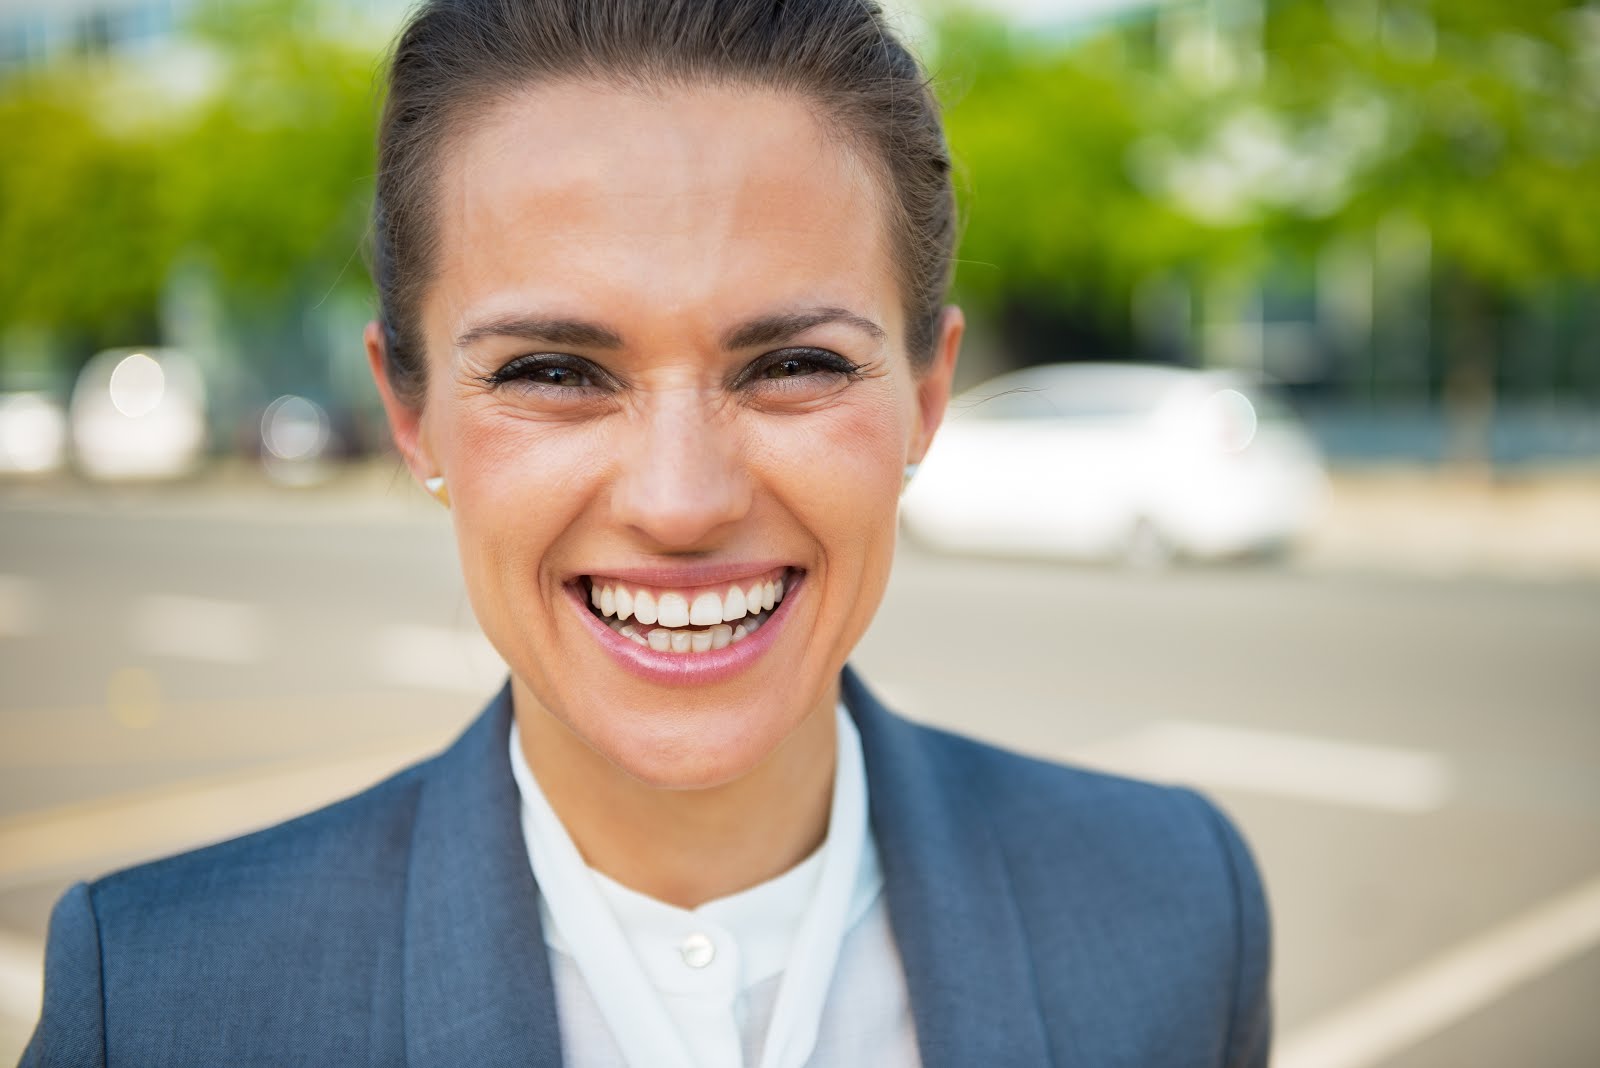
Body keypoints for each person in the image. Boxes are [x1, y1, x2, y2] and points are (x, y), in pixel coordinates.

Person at [22, 1, 1271, 1065]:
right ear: (411, 413)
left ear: (924, 401)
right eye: (556, 372)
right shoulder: (158, 1002)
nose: (681, 502)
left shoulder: (1175, 906)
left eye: (790, 362)